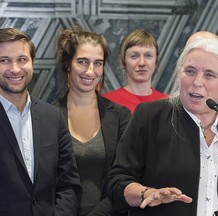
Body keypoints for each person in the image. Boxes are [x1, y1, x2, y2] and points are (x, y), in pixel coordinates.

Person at [105, 36, 218, 216]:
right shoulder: (150, 117)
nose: (197, 82)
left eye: (209, 74)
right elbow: (117, 181)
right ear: (179, 73)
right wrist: (147, 193)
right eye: (190, 71)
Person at [0, 28, 81, 215]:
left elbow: (69, 184)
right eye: (4, 60)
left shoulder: (52, 116)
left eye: (22, 59)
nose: (14, 68)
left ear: (33, 63)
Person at [54, 26, 131, 216]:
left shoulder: (120, 116)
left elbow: (126, 177)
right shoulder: (50, 116)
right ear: (67, 64)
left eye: (98, 63)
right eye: (82, 62)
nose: (90, 71)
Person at [102, 28, 168, 113]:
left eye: (148, 56)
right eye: (134, 56)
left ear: (156, 61)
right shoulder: (106, 103)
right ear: (123, 60)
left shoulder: (168, 105)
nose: (142, 63)